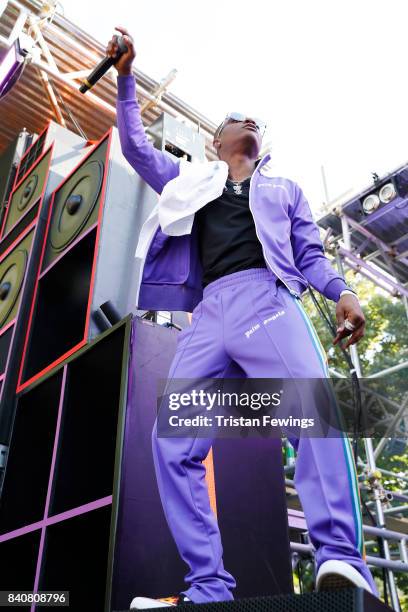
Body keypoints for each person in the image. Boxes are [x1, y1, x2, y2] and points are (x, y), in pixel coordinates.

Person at [107, 27, 378, 609]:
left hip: (267, 300)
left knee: (310, 407)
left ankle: (340, 559)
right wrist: (127, 77)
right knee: (171, 440)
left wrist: (342, 292)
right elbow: (132, 146)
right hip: (208, 316)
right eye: (237, 117)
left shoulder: (284, 189)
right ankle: (207, 587)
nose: (250, 120)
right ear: (215, 140)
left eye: (257, 119)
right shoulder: (190, 183)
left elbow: (308, 255)